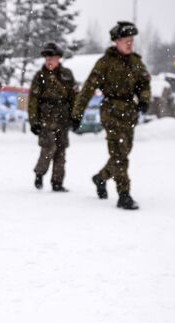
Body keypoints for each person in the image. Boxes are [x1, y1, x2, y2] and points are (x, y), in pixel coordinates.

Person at [72, 21, 150, 210]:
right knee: (119, 154)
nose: (130, 44)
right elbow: (88, 89)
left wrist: (144, 99)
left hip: (129, 112)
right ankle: (124, 194)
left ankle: (101, 177)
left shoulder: (136, 62)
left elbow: (144, 84)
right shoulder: (105, 62)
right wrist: (77, 114)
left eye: (132, 40)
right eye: (126, 40)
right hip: (111, 111)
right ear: (116, 41)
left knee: (124, 152)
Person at [27, 42, 77, 192]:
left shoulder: (67, 75)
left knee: (61, 151)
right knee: (48, 149)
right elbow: (33, 100)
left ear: (58, 58)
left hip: (63, 118)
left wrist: (76, 117)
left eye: (52, 58)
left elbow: (75, 98)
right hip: (46, 119)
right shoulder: (40, 76)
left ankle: (57, 182)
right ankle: (39, 173)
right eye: (47, 58)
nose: (49, 61)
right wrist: (34, 121)